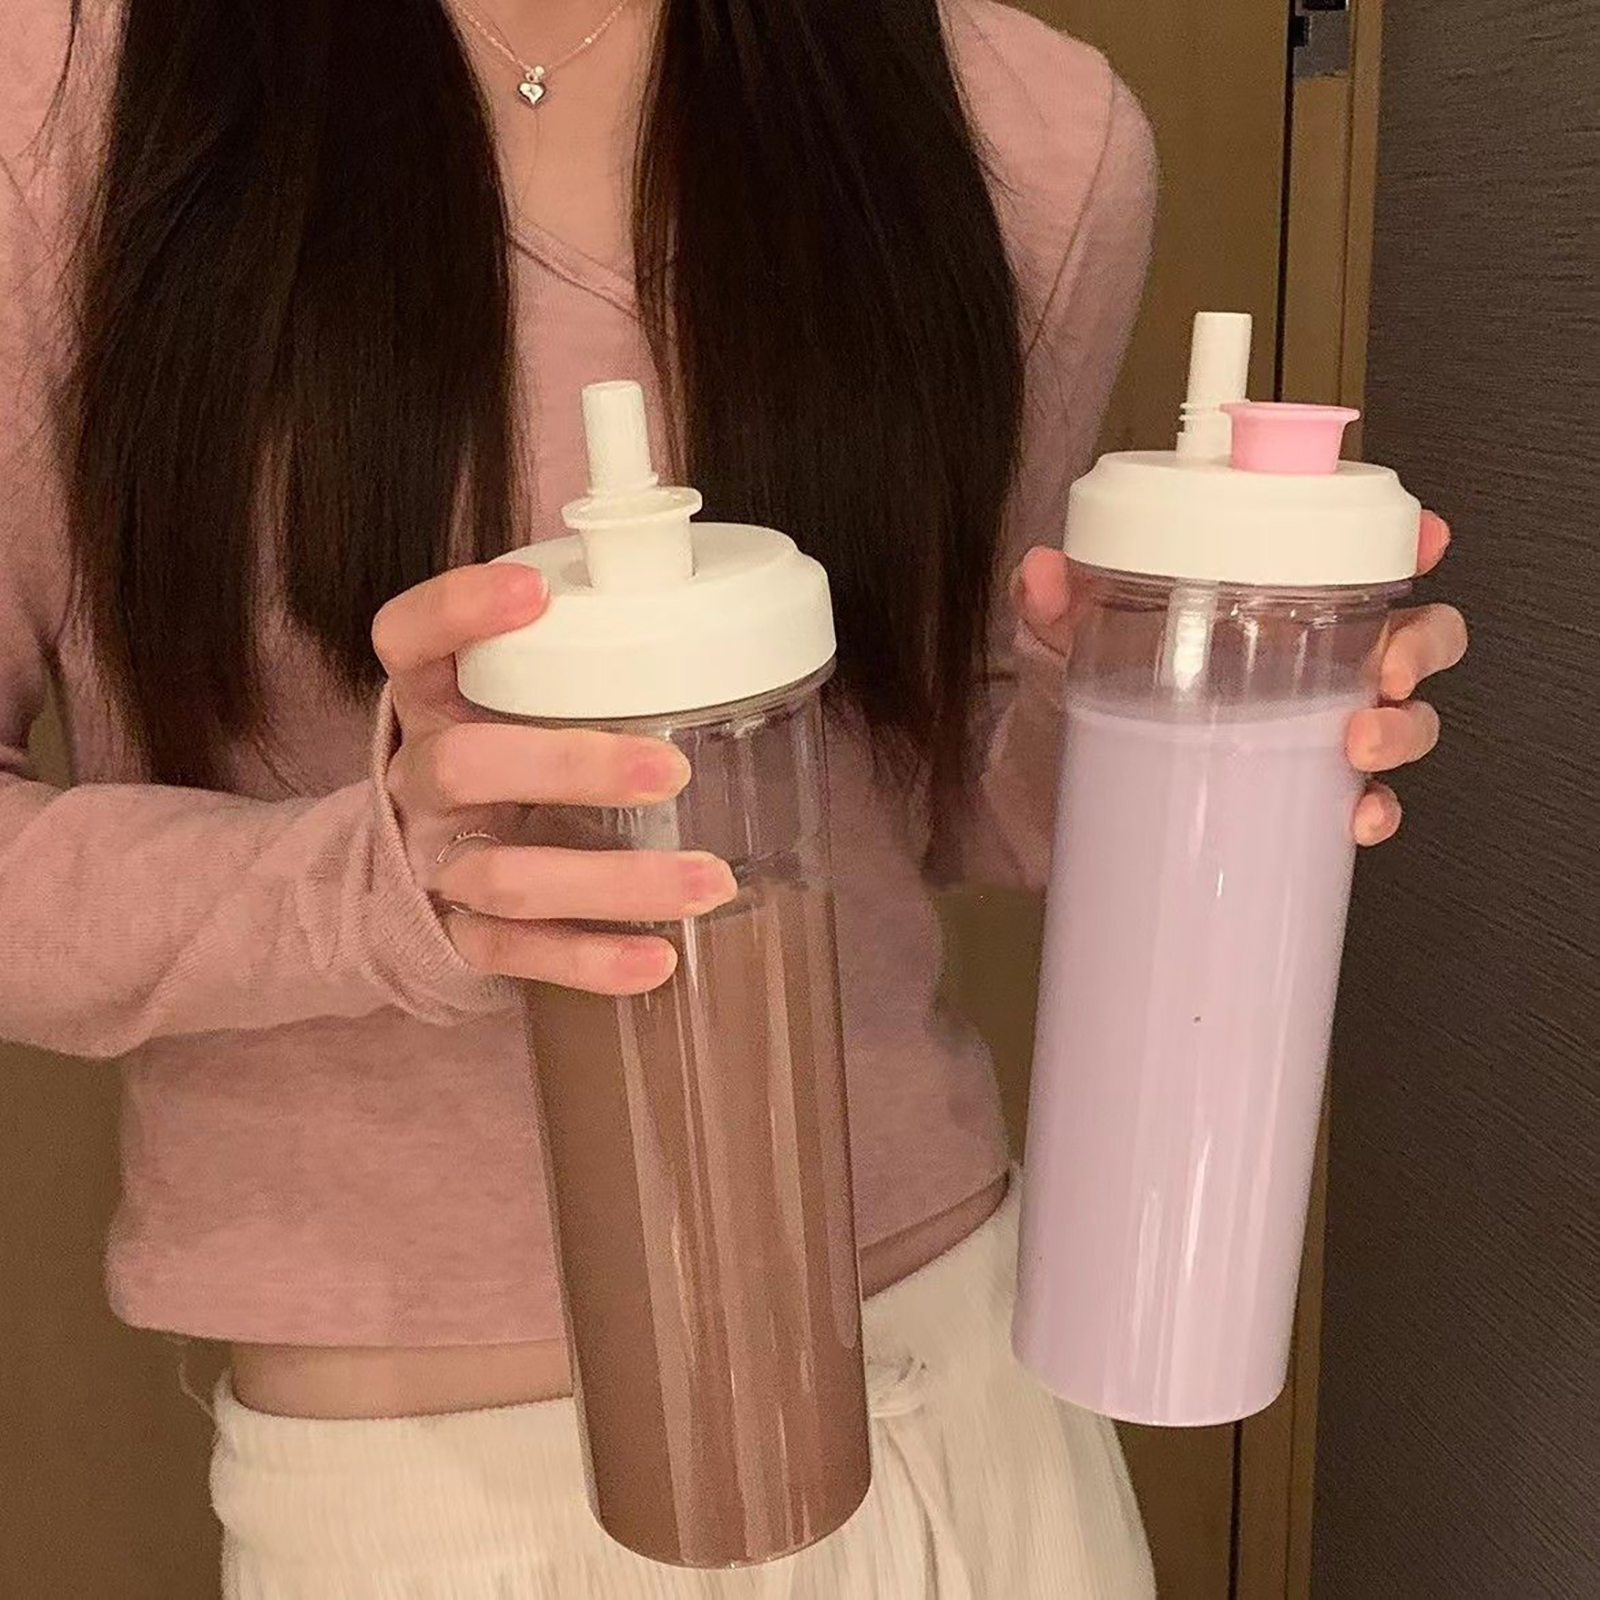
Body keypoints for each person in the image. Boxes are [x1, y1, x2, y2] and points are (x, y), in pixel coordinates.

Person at [0, 1, 1467, 1594]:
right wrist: (381, 883)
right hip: (445, 1492)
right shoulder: (53, 100)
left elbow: (930, 778)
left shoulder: (1032, 128)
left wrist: (1172, 716)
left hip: (967, 1396)